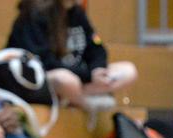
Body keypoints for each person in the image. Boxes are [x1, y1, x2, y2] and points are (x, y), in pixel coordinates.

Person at [7, 0, 138, 112]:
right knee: (65, 80)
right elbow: (45, 63)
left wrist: (97, 70)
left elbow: (97, 49)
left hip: (79, 78)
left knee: (128, 70)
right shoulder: (34, 13)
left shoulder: (77, 12)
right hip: (43, 80)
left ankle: (77, 97)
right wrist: (88, 75)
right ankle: (86, 103)